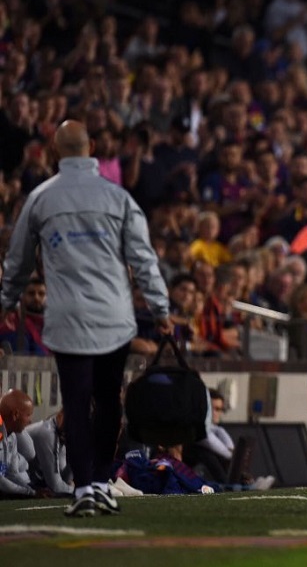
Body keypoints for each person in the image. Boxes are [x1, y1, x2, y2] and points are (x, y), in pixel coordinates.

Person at [1, 120, 173, 518]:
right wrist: (161, 309)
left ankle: (82, 489)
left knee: (76, 402)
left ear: (54, 151)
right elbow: (143, 259)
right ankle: (98, 482)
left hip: (68, 318)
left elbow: (18, 259)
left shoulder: (40, 198)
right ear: (92, 146)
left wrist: (7, 300)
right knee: (109, 401)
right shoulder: (119, 198)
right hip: (113, 316)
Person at [25, 409, 73, 496]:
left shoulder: (61, 434)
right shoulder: (47, 433)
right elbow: (56, 487)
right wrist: (77, 489)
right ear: (59, 416)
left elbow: (64, 479)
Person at [0, 276, 49, 355]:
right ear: (22, 296)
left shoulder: (53, 324)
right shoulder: (10, 322)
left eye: (41, 294)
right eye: (31, 293)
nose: (36, 298)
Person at [0, 389, 35, 497]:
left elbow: (11, 473)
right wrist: (28, 492)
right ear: (15, 414)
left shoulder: (12, 436)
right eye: (28, 415)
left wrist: (32, 490)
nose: (30, 421)